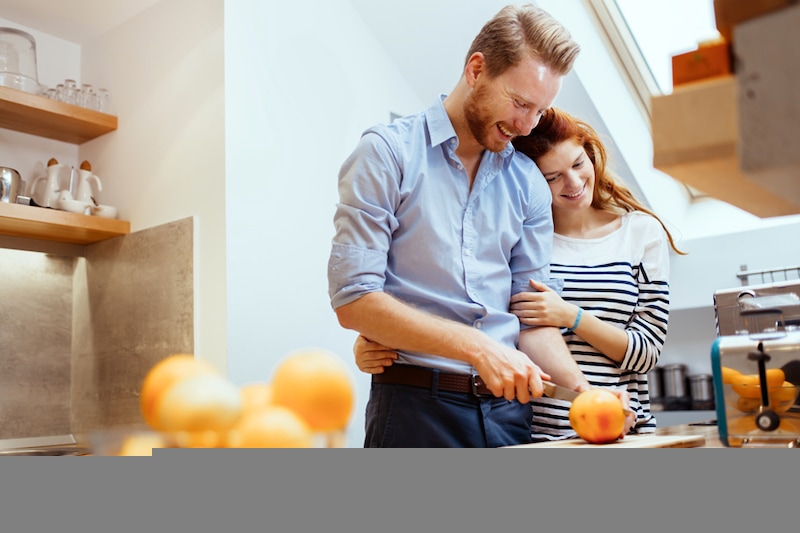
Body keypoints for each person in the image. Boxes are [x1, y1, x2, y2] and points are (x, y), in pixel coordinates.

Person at [328, 4, 633, 448]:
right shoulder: (387, 154)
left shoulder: (527, 182)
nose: (527, 124)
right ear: (476, 70)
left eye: (540, 110)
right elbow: (354, 299)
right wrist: (478, 346)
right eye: (520, 103)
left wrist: (585, 392)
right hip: (415, 411)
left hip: (510, 417)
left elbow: (531, 316)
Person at [356, 108, 683, 441]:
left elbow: (647, 351)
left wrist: (570, 316)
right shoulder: (519, 238)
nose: (572, 183)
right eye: (552, 177)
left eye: (577, 164)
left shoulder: (641, 233)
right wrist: (384, 334)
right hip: (538, 428)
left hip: (617, 418)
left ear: (591, 153)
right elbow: (481, 312)